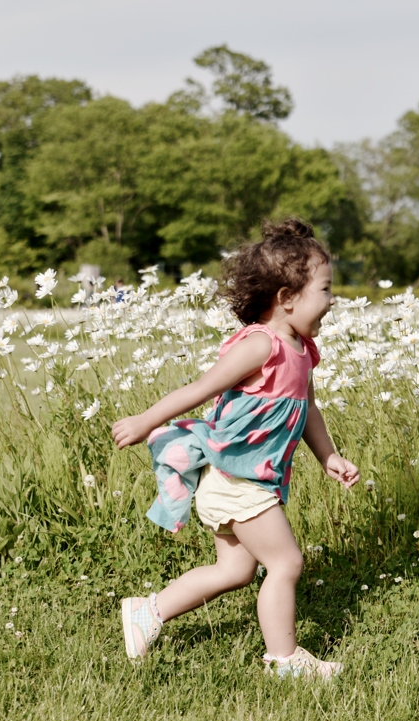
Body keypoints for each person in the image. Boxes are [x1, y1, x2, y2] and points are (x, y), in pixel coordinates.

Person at [111, 218, 359, 679]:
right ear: (286, 299)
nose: (332, 300)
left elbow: (306, 408)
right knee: (286, 563)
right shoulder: (261, 346)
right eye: (325, 290)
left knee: (235, 571)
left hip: (244, 478)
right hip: (234, 478)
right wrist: (147, 420)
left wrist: (329, 455)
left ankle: (148, 611)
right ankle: (284, 662)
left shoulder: (301, 349)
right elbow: (200, 389)